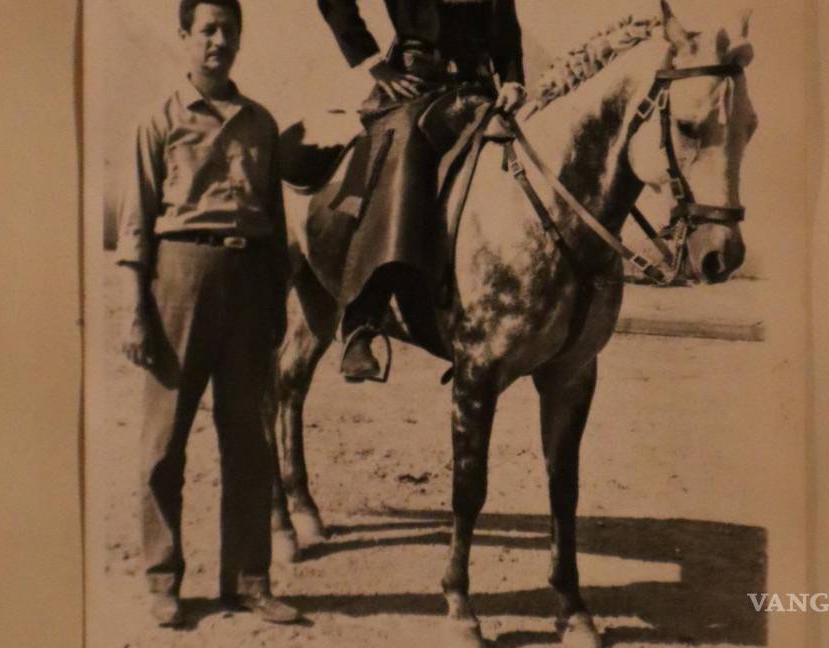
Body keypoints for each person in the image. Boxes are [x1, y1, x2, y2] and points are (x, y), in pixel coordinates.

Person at [116, 0, 300, 628]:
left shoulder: (262, 124)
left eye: (230, 31)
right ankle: (163, 580)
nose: (219, 41)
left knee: (250, 440)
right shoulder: (159, 120)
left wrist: (278, 306)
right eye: (208, 30)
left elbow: (275, 225)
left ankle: (248, 581)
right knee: (163, 445)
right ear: (185, 38)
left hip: (249, 285)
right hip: (180, 280)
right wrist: (136, 312)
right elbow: (137, 224)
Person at [317, 0, 527, 381]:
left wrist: (513, 77)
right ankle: (363, 320)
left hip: (481, 86)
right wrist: (372, 63)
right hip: (416, 83)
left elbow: (505, 21)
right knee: (404, 155)